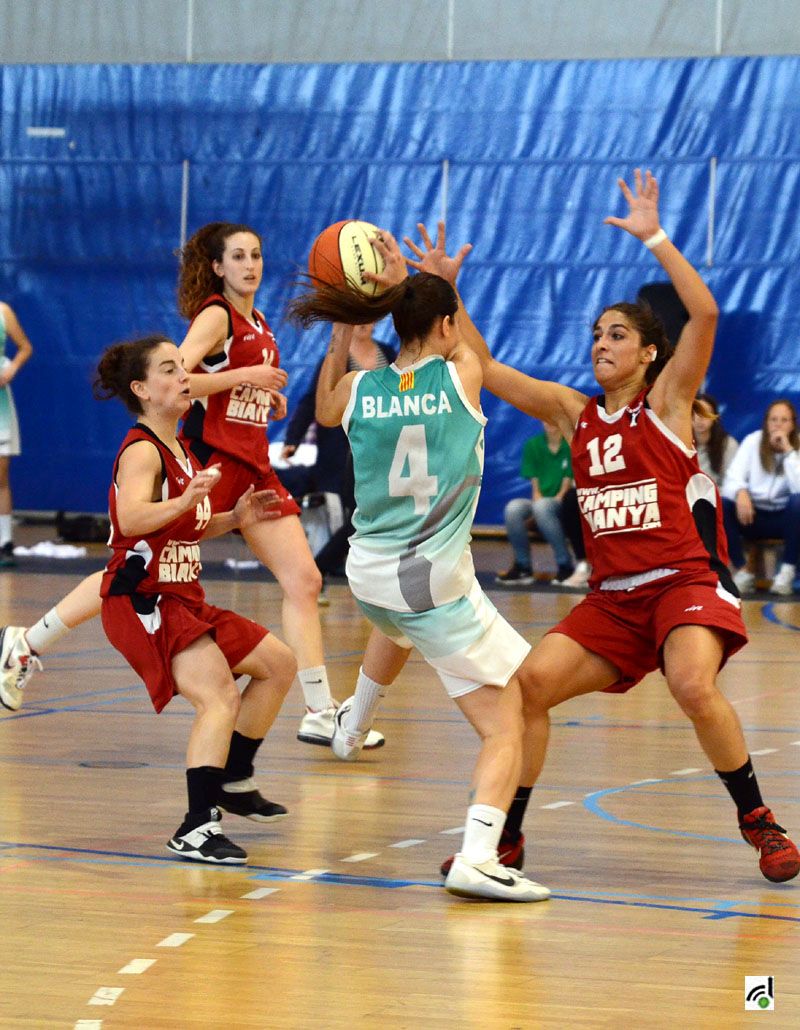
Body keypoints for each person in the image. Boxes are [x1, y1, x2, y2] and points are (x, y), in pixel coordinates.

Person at [345, 173, 800, 887]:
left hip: (682, 581)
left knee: (689, 682)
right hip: (614, 598)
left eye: (617, 334)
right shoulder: (572, 413)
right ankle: (506, 839)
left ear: (650, 352)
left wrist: (654, 236)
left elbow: (704, 314)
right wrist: (444, 297)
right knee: (524, 688)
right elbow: (485, 368)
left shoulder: (670, 402)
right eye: (594, 334)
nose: (601, 343)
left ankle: (759, 820)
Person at [1, 223, 385, 749]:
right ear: (219, 267)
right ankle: (26, 643)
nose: (251, 265)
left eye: (257, 255)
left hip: (253, 467)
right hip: (208, 463)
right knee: (130, 569)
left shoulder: (262, 322)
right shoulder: (217, 315)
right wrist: (241, 380)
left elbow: (239, 389)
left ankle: (319, 710)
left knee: (305, 580)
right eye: (239, 257)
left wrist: (262, 399)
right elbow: (177, 379)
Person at [287, 235, 550, 903]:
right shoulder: (460, 375)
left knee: (398, 621)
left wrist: (348, 323)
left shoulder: (358, 387)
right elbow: (476, 352)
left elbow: (320, 411)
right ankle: (478, 856)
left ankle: (352, 721)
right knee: (506, 720)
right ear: (447, 324)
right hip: (432, 579)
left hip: (366, 570)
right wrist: (441, 281)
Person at [93, 334, 297, 863]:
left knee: (278, 663)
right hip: (143, 599)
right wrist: (185, 500)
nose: (183, 376)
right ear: (141, 389)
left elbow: (182, 528)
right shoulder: (143, 449)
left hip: (183, 596)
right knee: (220, 696)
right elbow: (131, 520)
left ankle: (230, 777)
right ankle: (196, 826)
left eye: (182, 368)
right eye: (169, 370)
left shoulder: (182, 447)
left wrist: (234, 519)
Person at [277, 322, 396, 583]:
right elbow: (314, 401)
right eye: (358, 319)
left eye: (369, 318)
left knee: (369, 512)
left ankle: (331, 563)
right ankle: (323, 564)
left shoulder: (387, 353)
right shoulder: (335, 359)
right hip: (344, 450)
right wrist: (293, 439)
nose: (364, 325)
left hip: (383, 449)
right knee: (360, 512)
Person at [721, 398, 800, 596]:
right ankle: (743, 570)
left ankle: (787, 572)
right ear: (766, 422)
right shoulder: (752, 441)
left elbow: (798, 487)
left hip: (787, 520)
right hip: (753, 515)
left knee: (797, 502)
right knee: (723, 503)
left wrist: (789, 452)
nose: (778, 425)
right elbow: (733, 477)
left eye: (784, 420)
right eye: (774, 420)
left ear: (793, 424)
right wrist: (741, 492)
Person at [495, 421, 578, 585]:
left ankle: (565, 565)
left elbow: (566, 487)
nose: (549, 422)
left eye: (552, 418)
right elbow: (535, 486)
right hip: (541, 503)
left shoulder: (570, 445)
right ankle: (523, 567)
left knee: (543, 507)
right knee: (514, 508)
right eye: (545, 418)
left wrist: (544, 507)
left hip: (562, 503)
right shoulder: (533, 445)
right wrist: (537, 508)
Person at [0, 301, 34, 566]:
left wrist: (10, 368)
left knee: (1, 474)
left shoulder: (4, 311)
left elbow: (25, 347)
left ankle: (5, 542)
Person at [692, 392, 738, 488]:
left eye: (706, 412)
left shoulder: (728, 444)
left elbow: (732, 482)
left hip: (718, 498)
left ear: (715, 417)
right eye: (696, 412)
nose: (700, 418)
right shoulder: (680, 443)